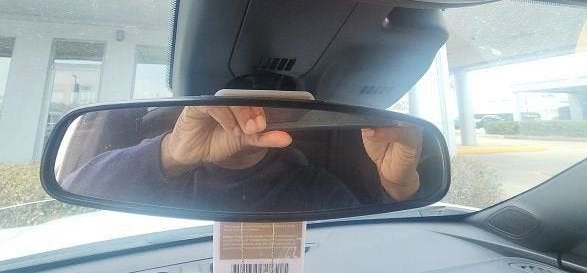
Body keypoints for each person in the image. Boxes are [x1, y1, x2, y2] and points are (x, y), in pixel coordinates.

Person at [63, 106, 423, 212]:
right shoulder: (164, 167)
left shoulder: (317, 189)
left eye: (277, 97)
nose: (255, 111)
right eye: (239, 94)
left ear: (295, 115)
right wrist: (172, 154)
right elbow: (74, 194)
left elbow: (373, 253)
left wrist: (398, 188)